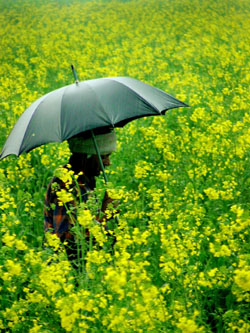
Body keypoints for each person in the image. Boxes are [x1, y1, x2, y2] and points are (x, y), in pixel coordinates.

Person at [44, 129, 117, 265]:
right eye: (104, 156)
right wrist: (103, 214)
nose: (108, 163)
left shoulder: (86, 181)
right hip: (65, 275)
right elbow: (69, 242)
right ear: (86, 156)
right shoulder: (65, 184)